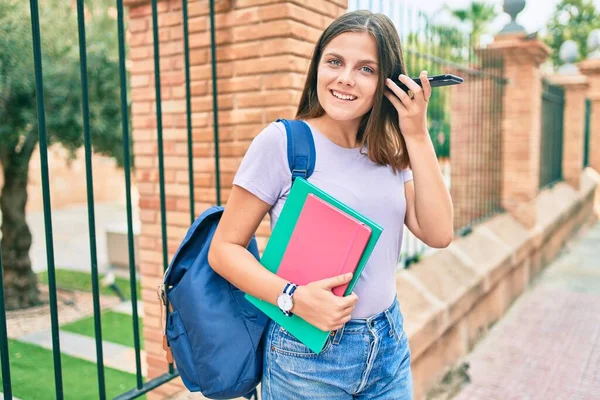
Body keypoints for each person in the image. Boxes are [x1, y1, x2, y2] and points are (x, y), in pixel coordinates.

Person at [208, 9, 454, 400]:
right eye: (335, 62)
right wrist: (292, 296)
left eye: (366, 69)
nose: (345, 78)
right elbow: (223, 251)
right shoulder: (282, 143)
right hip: (305, 355)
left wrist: (417, 134)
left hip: (387, 346)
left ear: (387, 82)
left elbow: (439, 233)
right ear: (317, 67)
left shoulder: (391, 150)